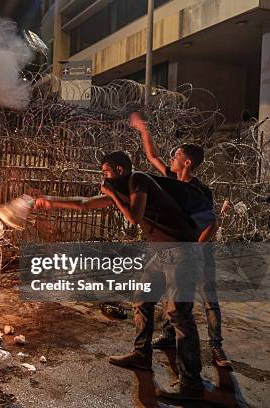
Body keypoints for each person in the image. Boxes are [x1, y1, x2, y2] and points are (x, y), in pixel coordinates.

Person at [35, 151, 206, 401]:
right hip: (163, 252)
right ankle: (141, 355)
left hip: (181, 251)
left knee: (179, 315)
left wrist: (113, 193)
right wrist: (51, 200)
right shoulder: (127, 188)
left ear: (118, 169)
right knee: (141, 297)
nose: (103, 178)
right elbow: (85, 203)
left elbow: (134, 218)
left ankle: (192, 385)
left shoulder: (137, 180)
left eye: (105, 172)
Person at [131, 112, 231, 369]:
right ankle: (167, 336)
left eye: (175, 157)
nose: (171, 159)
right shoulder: (172, 181)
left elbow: (211, 224)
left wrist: (195, 249)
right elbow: (153, 156)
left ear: (186, 163)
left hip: (198, 249)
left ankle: (216, 347)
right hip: (176, 250)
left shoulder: (199, 191)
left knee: (208, 297)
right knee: (169, 291)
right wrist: (143, 131)